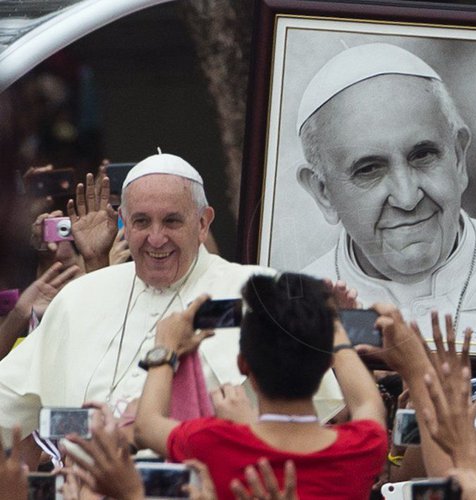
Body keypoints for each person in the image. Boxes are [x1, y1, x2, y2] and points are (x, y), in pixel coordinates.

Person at [0, 152, 342, 449]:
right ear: (124, 223)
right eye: (141, 221)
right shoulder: (78, 297)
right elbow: (6, 403)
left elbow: (310, 423)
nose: (156, 238)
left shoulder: (261, 293)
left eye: (171, 221)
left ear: (203, 223)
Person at [295, 43, 476, 341]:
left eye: (423, 155)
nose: (407, 198)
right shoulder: (293, 313)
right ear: (323, 193)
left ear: (458, 157)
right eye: (369, 169)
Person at [133, 273, 387, 499]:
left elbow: (146, 426)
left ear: (243, 364)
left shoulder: (211, 441)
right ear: (327, 364)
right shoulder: (361, 447)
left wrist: (165, 347)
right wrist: (335, 328)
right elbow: (367, 402)